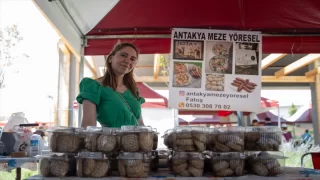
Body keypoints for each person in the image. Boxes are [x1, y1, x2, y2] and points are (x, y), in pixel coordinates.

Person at [76, 42, 145, 128]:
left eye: (133, 59)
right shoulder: (93, 86)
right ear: (110, 59)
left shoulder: (133, 89)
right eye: (123, 55)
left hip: (135, 140)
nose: (128, 60)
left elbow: (140, 123)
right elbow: (88, 125)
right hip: (110, 140)